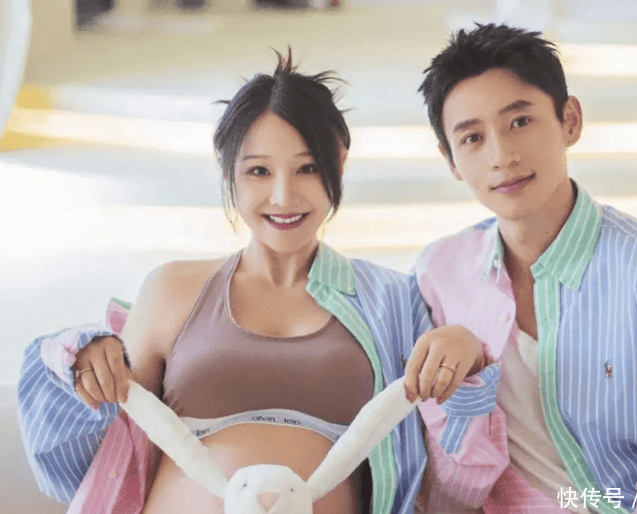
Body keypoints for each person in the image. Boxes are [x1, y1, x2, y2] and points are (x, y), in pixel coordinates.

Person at [17, 51, 488, 514]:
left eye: (308, 168)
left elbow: (453, 479)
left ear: (340, 163)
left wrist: (466, 354)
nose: (283, 196)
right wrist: (81, 361)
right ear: (229, 173)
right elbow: (103, 447)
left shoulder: (392, 299)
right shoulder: (171, 289)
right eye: (259, 171)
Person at [406, 23, 637, 514]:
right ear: (449, 160)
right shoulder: (438, 275)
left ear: (570, 120)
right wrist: (468, 382)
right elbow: (453, 492)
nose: (501, 156)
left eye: (520, 121)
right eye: (471, 138)